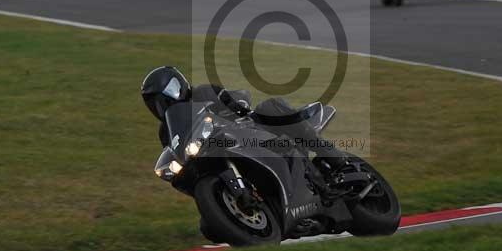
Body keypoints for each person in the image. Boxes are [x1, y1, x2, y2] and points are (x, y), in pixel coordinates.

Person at [140, 66, 348, 171]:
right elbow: (177, 154)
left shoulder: (204, 92)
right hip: (217, 158)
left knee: (269, 106)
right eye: (157, 103)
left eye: (168, 93)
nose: (165, 104)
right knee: (209, 227)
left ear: (180, 84)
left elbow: (241, 95)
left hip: (249, 132)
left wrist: (238, 106)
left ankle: (332, 155)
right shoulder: (166, 131)